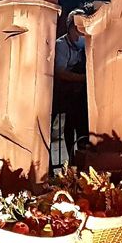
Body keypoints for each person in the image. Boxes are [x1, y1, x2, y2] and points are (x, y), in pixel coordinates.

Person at [53, 10, 88, 158]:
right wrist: (82, 78)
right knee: (68, 126)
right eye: (78, 29)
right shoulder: (61, 45)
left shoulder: (85, 44)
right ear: (70, 28)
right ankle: (69, 159)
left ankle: (81, 155)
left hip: (79, 96)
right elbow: (60, 72)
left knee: (81, 125)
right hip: (62, 93)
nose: (81, 34)